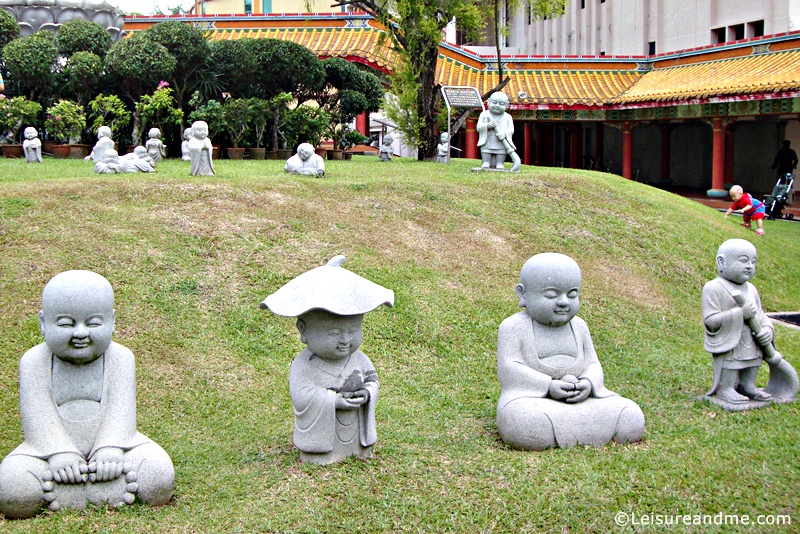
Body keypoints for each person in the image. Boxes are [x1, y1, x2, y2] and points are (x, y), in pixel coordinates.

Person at [0, 271, 174, 518]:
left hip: (116, 449)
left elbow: (121, 412)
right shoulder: (34, 362)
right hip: (48, 455)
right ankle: (103, 491)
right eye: (65, 324)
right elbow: (37, 417)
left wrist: (110, 449)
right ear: (42, 323)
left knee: (157, 472)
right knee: (14, 486)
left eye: (93, 323)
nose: (80, 333)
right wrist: (60, 454)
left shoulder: (121, 358)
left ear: (112, 322)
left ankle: (72, 493)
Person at [496, 253, 645, 451]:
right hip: (535, 400)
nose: (564, 302)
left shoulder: (579, 326)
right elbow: (510, 369)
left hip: (583, 402)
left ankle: (576, 429)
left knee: (630, 414)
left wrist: (587, 383)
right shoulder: (513, 327)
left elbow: (592, 363)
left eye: (572, 294)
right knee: (524, 421)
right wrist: (549, 386)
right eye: (551, 295)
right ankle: (575, 431)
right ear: (523, 294)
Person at [261, 255, 394, 464]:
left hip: (355, 426)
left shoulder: (359, 358)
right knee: (323, 452)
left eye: (353, 331)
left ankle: (360, 450)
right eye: (333, 334)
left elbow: (372, 380)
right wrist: (334, 400)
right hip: (322, 435)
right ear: (303, 331)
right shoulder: (304, 364)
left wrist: (367, 393)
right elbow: (302, 395)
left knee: (358, 442)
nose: (345, 340)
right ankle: (321, 456)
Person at [702, 240, 774, 409]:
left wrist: (767, 329)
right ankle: (725, 388)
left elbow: (761, 315)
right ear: (722, 262)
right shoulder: (713, 288)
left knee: (753, 359)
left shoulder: (752, 289)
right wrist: (739, 313)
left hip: (751, 337)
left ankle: (748, 385)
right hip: (730, 338)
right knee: (732, 360)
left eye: (753, 261)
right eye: (743, 260)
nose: (749, 266)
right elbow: (711, 320)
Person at [476, 92, 521, 172]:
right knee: (486, 151)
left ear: (507, 105)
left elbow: (511, 129)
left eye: (501, 104)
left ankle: (500, 163)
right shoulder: (484, 114)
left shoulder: (508, 117)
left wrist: (504, 133)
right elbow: (479, 127)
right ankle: (486, 162)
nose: (497, 105)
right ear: (488, 102)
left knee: (501, 153)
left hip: (500, 141)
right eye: (494, 102)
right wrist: (488, 126)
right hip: (488, 139)